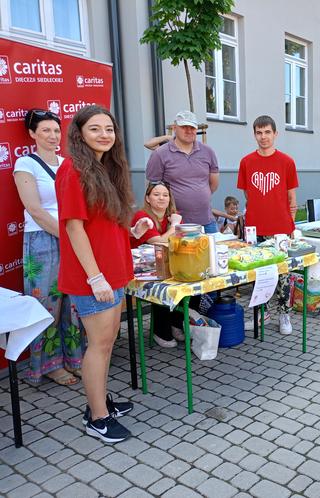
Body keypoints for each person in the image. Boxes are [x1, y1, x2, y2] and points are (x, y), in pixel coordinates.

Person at [56, 105, 153, 442]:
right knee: (98, 344)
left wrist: (133, 226)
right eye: (95, 128)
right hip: (92, 277)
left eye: (109, 129)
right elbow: (74, 228)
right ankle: (97, 417)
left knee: (108, 340)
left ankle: (101, 401)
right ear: (79, 133)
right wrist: (94, 277)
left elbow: (106, 222)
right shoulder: (73, 170)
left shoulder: (104, 169)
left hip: (114, 271)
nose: (104, 135)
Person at [13, 109, 84, 387]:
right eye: (45, 130)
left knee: (73, 303)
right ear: (32, 134)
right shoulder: (25, 164)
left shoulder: (69, 162)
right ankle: (48, 365)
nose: (53, 136)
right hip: (43, 240)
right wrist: (69, 238)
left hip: (72, 234)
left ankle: (76, 358)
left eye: (56, 130)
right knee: (47, 305)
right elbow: (35, 209)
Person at [237, 115, 298, 334]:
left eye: (267, 132)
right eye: (259, 133)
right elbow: (247, 193)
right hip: (255, 228)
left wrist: (291, 228)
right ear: (254, 134)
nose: (263, 137)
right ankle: (261, 314)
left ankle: (284, 314)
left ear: (275, 134)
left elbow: (292, 198)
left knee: (283, 275)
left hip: (281, 228)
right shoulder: (246, 162)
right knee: (257, 274)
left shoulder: (287, 162)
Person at [130, 182, 187, 348]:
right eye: (156, 194)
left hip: (164, 265)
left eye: (165, 195)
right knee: (164, 288)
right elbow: (159, 242)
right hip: (142, 268)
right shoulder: (142, 216)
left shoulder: (172, 216)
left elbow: (180, 240)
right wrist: (175, 226)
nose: (161, 198)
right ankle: (160, 330)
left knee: (186, 282)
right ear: (147, 198)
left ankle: (176, 324)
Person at [145, 111, 220, 233]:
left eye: (192, 127)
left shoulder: (208, 152)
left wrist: (198, 196)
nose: (189, 131)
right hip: (175, 224)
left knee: (214, 252)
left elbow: (213, 184)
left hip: (207, 221)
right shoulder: (160, 154)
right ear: (175, 128)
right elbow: (152, 188)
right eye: (184, 127)